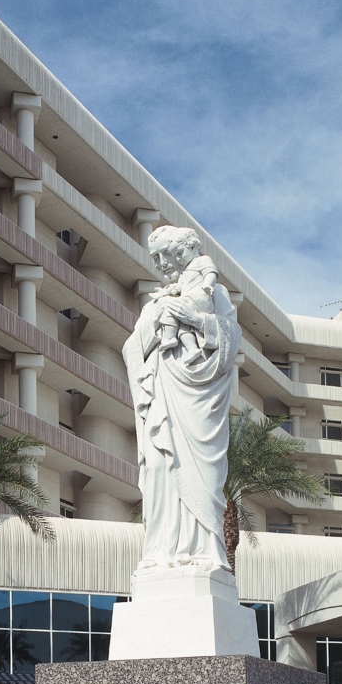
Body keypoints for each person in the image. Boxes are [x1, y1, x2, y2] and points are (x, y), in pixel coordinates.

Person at [123, 225, 241, 575]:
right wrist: (158, 322)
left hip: (199, 399)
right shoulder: (156, 302)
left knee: (201, 473)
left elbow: (231, 338)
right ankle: (161, 551)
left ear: (180, 251)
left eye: (162, 254)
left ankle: (206, 550)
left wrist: (196, 320)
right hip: (163, 395)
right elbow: (131, 349)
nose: (159, 264)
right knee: (160, 469)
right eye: (154, 258)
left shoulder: (214, 291)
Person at [149, 230, 219, 363]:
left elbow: (232, 335)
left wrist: (198, 320)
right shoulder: (153, 304)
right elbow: (134, 349)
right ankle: (181, 343)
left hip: (201, 372)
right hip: (162, 375)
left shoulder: (218, 292)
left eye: (168, 253)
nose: (163, 263)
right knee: (183, 329)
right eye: (156, 257)